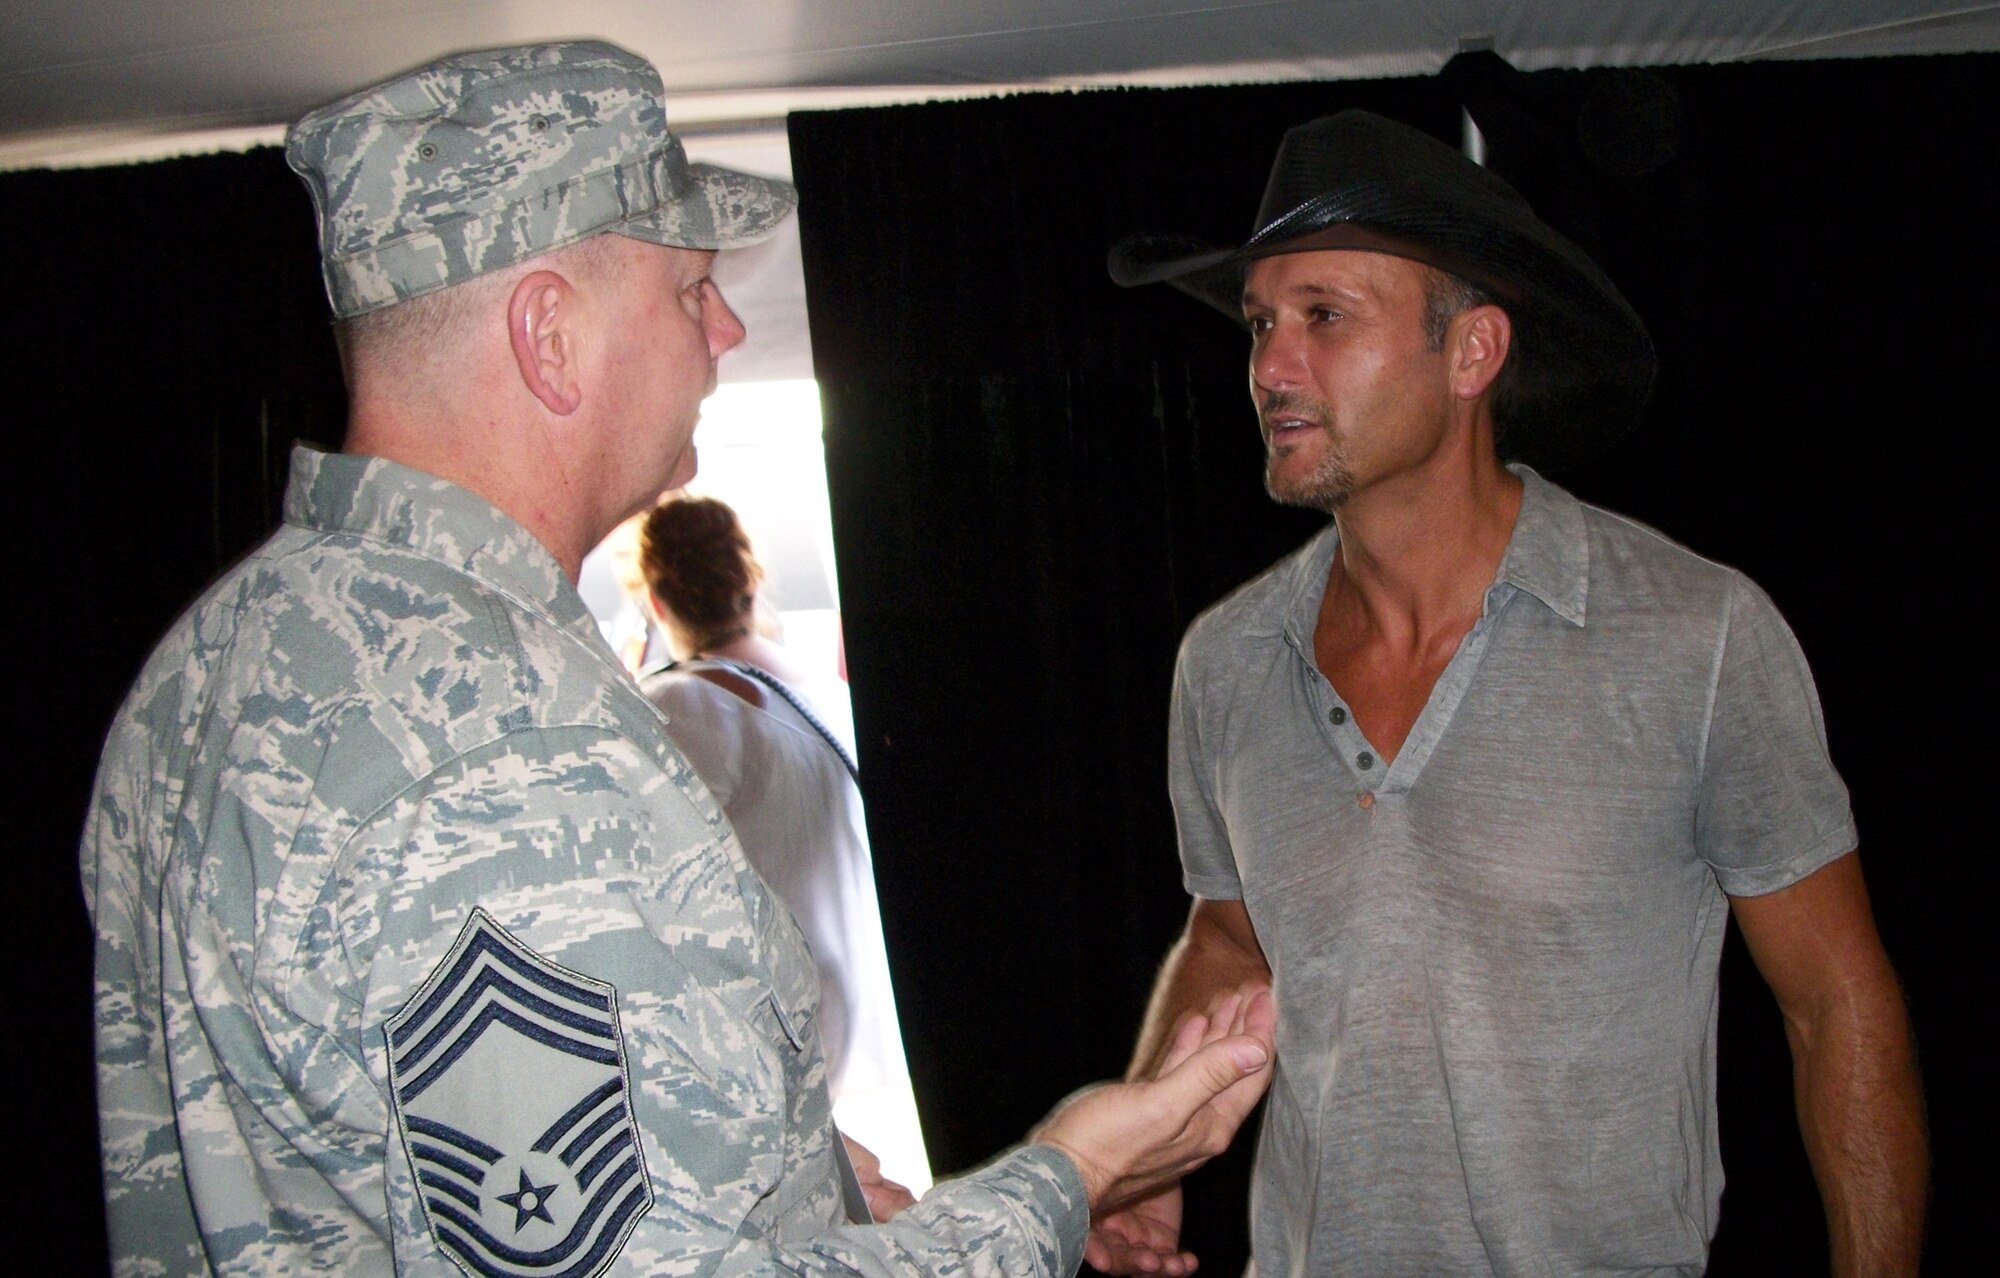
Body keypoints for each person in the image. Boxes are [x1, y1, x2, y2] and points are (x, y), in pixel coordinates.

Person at [80, 41, 1276, 1278]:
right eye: (687, 288)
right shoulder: (502, 746)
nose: (726, 326)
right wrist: (1065, 1181)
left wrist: (796, 1187)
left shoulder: (209, 661)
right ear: (549, 337)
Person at [1094, 111, 1927, 1277]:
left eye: (1323, 317)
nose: (1269, 367)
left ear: (1471, 353)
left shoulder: (1695, 634)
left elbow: (1835, 1003)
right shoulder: (1224, 661)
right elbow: (1232, 935)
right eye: (1260, 324)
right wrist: (1153, 1144)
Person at [634, 494, 923, 1182]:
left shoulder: (683, 705)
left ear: (656, 600)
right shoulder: (830, 692)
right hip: (877, 1047)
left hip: (787, 1067)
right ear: (750, 580)